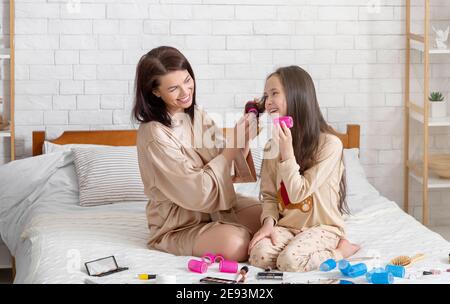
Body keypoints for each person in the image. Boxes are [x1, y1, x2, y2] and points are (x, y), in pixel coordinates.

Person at [133, 46, 261, 262]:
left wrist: (245, 136)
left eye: (187, 80)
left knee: (273, 215)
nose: (185, 92)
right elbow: (197, 191)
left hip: (217, 209)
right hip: (179, 224)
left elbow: (226, 166)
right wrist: (232, 146)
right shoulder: (154, 135)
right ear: (156, 92)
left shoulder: (195, 114)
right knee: (237, 243)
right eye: (173, 88)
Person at [248, 66, 360, 272]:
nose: (268, 101)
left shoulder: (330, 145)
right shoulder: (271, 146)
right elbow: (270, 195)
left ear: (297, 96)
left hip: (322, 227)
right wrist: (268, 224)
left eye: (274, 93)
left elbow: (298, 192)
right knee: (258, 256)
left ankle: (342, 250)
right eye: (266, 95)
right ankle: (293, 249)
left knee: (290, 261)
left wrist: (287, 153)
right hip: (288, 227)